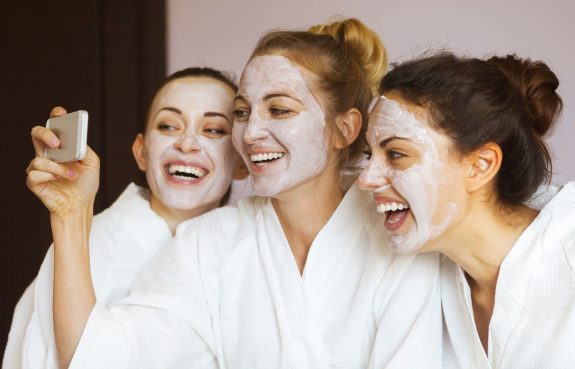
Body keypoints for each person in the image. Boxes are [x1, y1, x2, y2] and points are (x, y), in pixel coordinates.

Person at [32, 19, 444, 369]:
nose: (250, 133)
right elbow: (100, 360)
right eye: (243, 112)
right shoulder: (207, 243)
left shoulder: (401, 240)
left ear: (345, 129)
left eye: (279, 110)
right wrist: (71, 213)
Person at [358, 52, 575, 368]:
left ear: (480, 165)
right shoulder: (425, 277)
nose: (366, 179)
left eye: (396, 154)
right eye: (368, 155)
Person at [4, 67, 247, 369]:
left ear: (242, 162)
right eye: (169, 126)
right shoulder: (93, 243)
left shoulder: (248, 247)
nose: (187, 143)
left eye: (213, 130)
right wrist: (70, 216)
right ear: (141, 152)